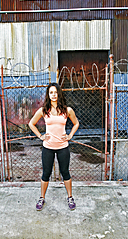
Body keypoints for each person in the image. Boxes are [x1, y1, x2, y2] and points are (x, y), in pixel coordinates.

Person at [28, 82, 79, 211]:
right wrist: (40, 136)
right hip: (48, 147)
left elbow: (76, 123)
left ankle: (70, 197)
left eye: (55, 92)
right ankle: (41, 198)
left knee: (65, 173)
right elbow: (31, 123)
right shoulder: (44, 110)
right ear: (48, 95)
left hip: (63, 146)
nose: (53, 95)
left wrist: (70, 135)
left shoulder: (67, 110)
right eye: (51, 92)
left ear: (59, 93)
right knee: (46, 173)